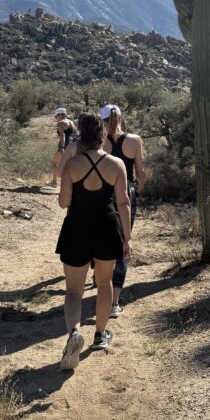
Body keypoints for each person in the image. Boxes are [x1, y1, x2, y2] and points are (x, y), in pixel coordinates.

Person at [55, 112, 132, 369]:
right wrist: (127, 238)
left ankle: (74, 333)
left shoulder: (72, 165)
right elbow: (123, 202)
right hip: (107, 227)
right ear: (102, 135)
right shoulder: (116, 164)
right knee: (104, 282)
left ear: (81, 137)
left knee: (74, 291)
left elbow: (64, 202)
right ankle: (100, 334)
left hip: (77, 226)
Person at [100, 104, 145, 317]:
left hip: (102, 192)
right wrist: (137, 189)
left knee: (101, 237)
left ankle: (100, 284)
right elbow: (140, 172)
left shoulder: (99, 141)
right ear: (121, 118)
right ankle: (114, 302)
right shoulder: (135, 141)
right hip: (127, 192)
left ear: (103, 120)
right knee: (124, 241)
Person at [51, 108, 77, 186]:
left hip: (65, 145)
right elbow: (76, 134)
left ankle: (54, 182)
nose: (56, 118)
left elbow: (63, 135)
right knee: (71, 165)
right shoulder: (71, 122)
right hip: (73, 145)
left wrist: (62, 147)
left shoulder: (61, 123)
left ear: (59, 115)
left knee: (55, 163)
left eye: (56, 116)